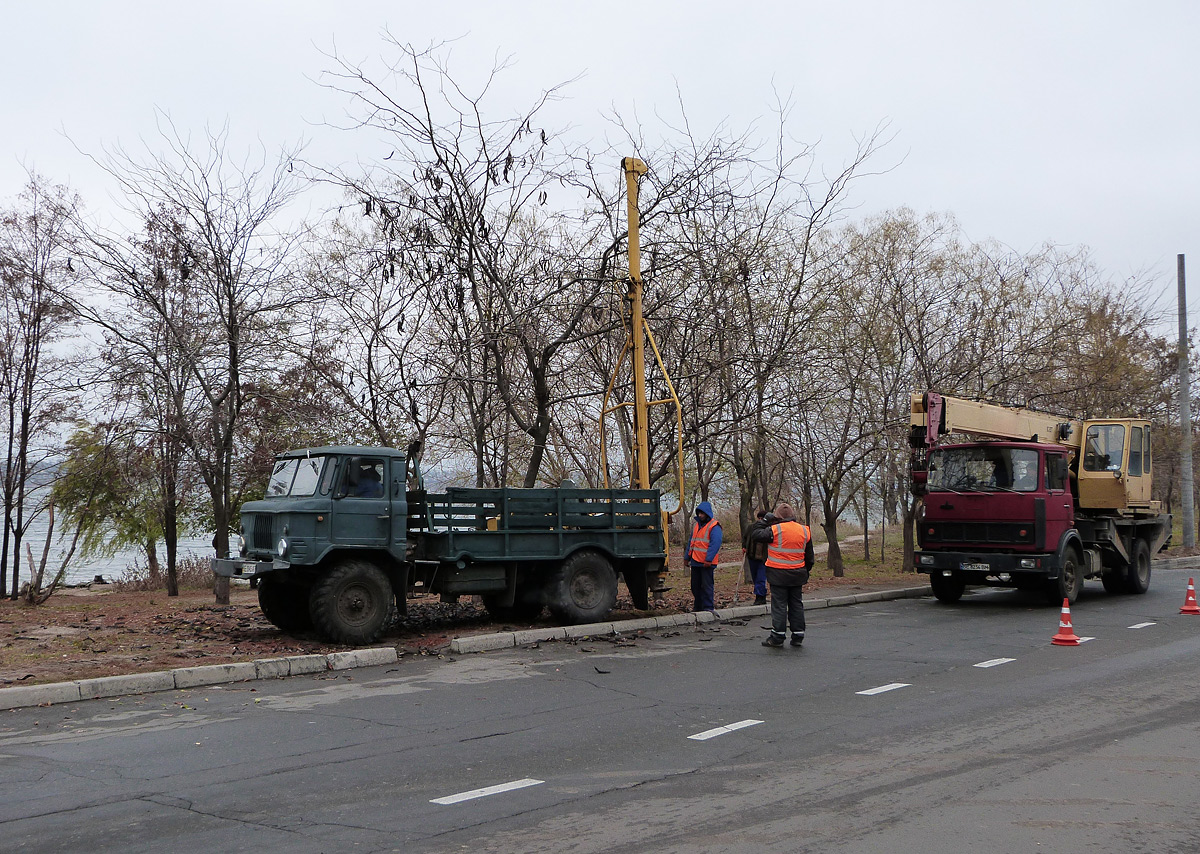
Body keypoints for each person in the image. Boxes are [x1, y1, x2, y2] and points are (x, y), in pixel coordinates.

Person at [752, 502, 814, 648]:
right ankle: (798, 635)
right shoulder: (804, 531)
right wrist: (804, 571)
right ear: (792, 516)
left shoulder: (774, 530)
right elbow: (809, 557)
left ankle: (777, 636)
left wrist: (765, 520)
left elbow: (755, 534)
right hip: (798, 574)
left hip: (778, 574)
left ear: (777, 517)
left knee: (779, 605)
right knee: (796, 604)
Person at [685, 500, 722, 612]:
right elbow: (691, 542)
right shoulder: (696, 526)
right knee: (695, 586)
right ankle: (698, 607)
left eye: (702, 513)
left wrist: (708, 559)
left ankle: (708, 607)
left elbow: (715, 544)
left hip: (706, 563)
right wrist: (687, 557)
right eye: (699, 513)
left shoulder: (714, 526)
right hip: (696, 561)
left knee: (706, 586)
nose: (700, 515)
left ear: (707, 513)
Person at [741, 509, 770, 606]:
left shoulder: (768, 529)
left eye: (763, 518)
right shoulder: (751, 527)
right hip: (752, 556)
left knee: (761, 578)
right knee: (755, 578)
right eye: (759, 518)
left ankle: (760, 597)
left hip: (763, 558)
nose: (760, 520)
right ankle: (760, 595)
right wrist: (744, 547)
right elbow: (745, 538)